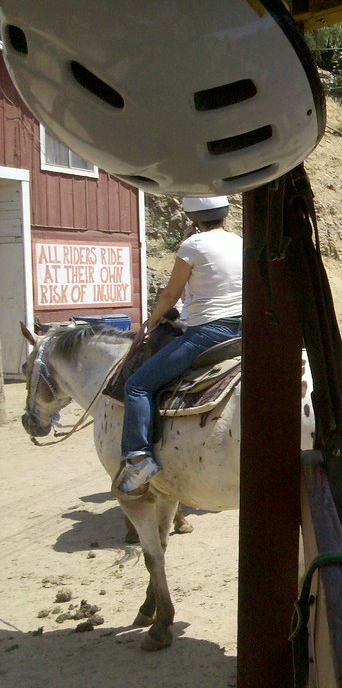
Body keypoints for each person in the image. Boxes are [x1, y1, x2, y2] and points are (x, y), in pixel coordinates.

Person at [115, 196, 244, 494]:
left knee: (137, 386)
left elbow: (171, 295)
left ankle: (137, 460)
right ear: (224, 214)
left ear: (193, 218)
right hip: (242, 330)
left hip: (208, 333)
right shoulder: (239, 241)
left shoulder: (192, 246)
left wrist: (149, 324)